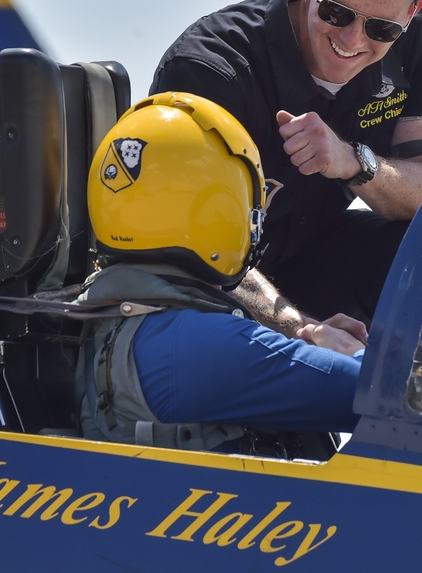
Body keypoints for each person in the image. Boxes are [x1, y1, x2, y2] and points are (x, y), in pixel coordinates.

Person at [149, 0, 422, 331]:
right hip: (199, 294)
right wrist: (302, 331)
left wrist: (353, 162)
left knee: (413, 251)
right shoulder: (212, 69)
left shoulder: (420, 42)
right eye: (337, 12)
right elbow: (189, 245)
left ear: (411, 12)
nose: (352, 40)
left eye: (381, 29)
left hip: (309, 263)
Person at [74, 92, 367, 452]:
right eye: (251, 207)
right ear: (214, 207)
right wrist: (346, 348)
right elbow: (379, 394)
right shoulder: (187, 342)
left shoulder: (123, 319)